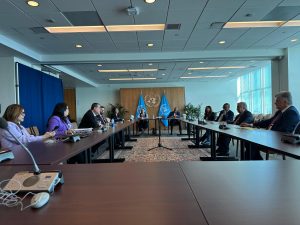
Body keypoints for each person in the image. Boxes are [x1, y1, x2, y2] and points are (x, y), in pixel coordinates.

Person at [241, 91, 300, 160]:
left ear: (285, 102)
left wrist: (264, 134)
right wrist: (251, 124)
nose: (275, 103)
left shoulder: (292, 112)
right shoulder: (281, 111)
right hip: (271, 137)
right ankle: (255, 162)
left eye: (277, 101)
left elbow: (283, 131)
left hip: (279, 141)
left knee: (250, 142)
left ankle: (254, 163)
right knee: (249, 141)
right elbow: (268, 122)